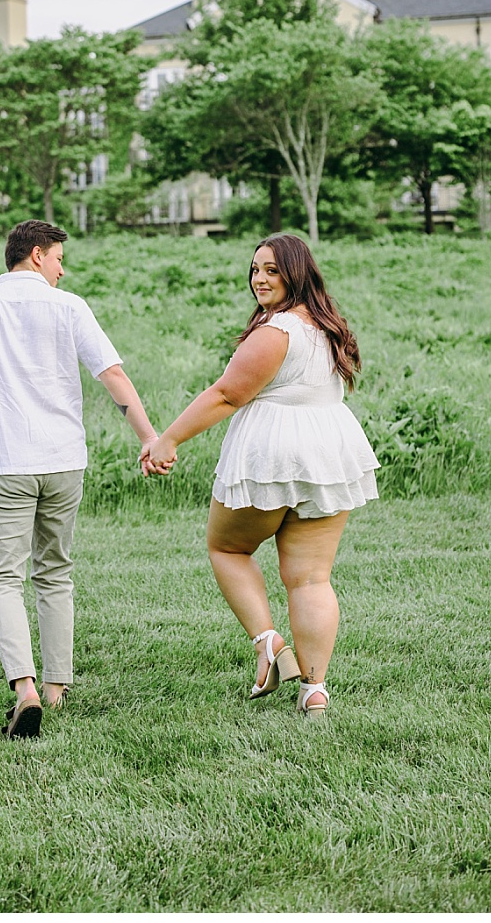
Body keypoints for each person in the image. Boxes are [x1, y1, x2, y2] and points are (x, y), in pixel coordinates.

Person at [0, 220, 159, 739]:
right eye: (59, 257)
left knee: (3, 578)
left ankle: (26, 689)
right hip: (64, 461)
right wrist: (148, 437)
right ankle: (58, 689)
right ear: (36, 255)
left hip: (5, 461)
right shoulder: (70, 307)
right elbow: (113, 376)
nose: (63, 268)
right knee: (55, 571)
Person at [142, 233, 378, 718]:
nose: (259, 279)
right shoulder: (328, 327)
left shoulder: (276, 332)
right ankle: (314, 690)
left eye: (271, 269)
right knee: (311, 578)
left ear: (297, 272)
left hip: (274, 453)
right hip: (328, 452)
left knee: (227, 548)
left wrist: (168, 439)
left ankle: (269, 643)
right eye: (255, 269)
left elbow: (228, 394)